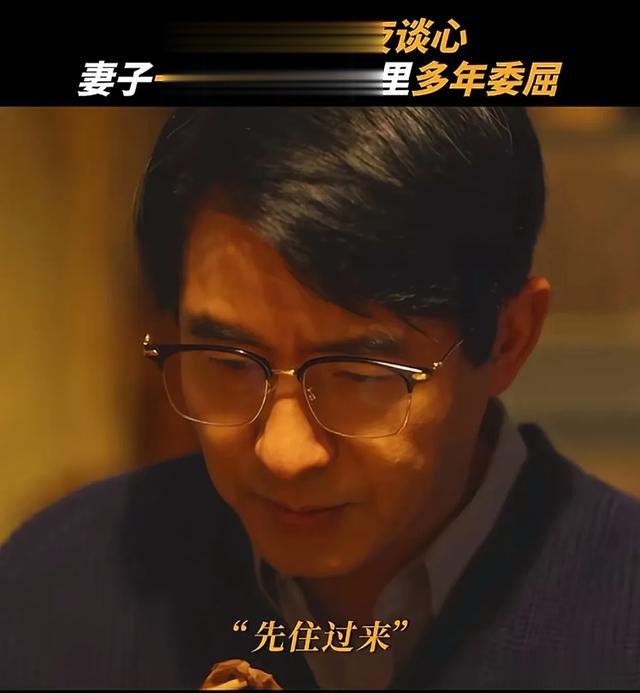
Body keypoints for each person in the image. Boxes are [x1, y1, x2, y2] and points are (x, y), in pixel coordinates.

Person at [1, 107, 639, 690]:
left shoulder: (618, 620)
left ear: (507, 339)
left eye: (358, 375)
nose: (284, 453)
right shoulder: (59, 591)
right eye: (228, 364)